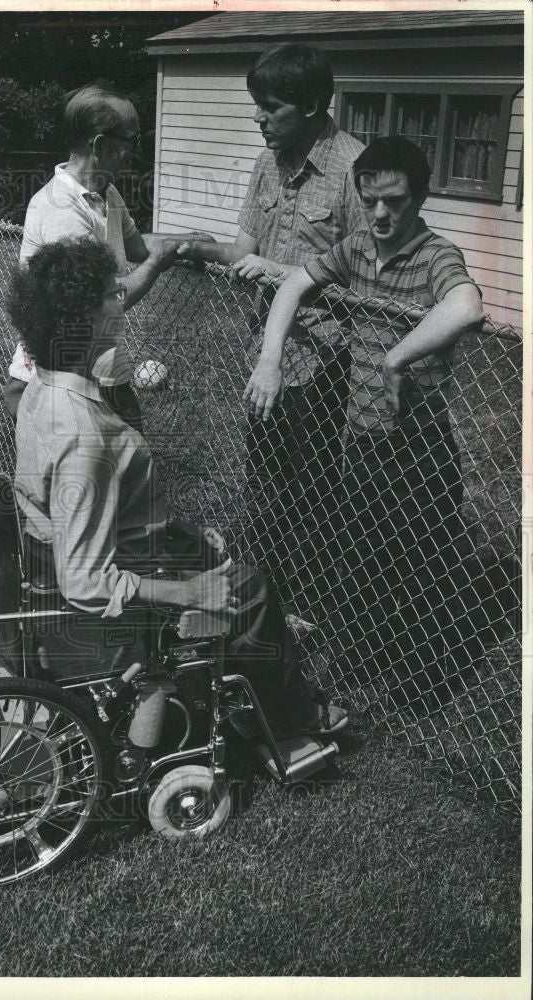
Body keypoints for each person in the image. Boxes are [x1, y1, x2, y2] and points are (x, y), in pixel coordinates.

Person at [8, 236, 348, 738]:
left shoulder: (42, 386)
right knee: (252, 589)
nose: (122, 296)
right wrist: (187, 589)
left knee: (217, 559)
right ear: (81, 319)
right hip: (109, 595)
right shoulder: (87, 436)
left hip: (87, 551)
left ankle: (241, 688)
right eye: (110, 293)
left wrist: (175, 533)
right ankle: (292, 720)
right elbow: (83, 581)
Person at [252, 135, 485, 706]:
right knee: (360, 551)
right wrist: (270, 358)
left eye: (396, 201)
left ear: (421, 198)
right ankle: (361, 657)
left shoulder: (436, 255)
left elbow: (467, 305)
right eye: (371, 199)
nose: (382, 214)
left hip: (418, 444)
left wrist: (397, 354)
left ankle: (426, 679)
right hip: (361, 437)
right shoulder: (355, 248)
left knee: (423, 562)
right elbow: (294, 285)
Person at [177, 43, 366, 586]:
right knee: (264, 475)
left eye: (270, 106)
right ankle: (265, 583)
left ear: (309, 107)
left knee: (313, 484)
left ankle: (308, 592)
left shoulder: (354, 169)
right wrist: (192, 248)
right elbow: (245, 250)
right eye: (255, 104)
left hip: (328, 357)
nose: (257, 117)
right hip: (268, 351)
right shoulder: (267, 161)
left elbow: (363, 278)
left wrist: (278, 271)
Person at [4, 80, 204, 430]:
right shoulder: (61, 210)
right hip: (59, 380)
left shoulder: (106, 194)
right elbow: (103, 301)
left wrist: (192, 241)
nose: (136, 151)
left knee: (125, 466)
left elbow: (139, 247)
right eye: (132, 140)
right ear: (100, 145)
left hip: (102, 368)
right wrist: (160, 262)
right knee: (84, 476)